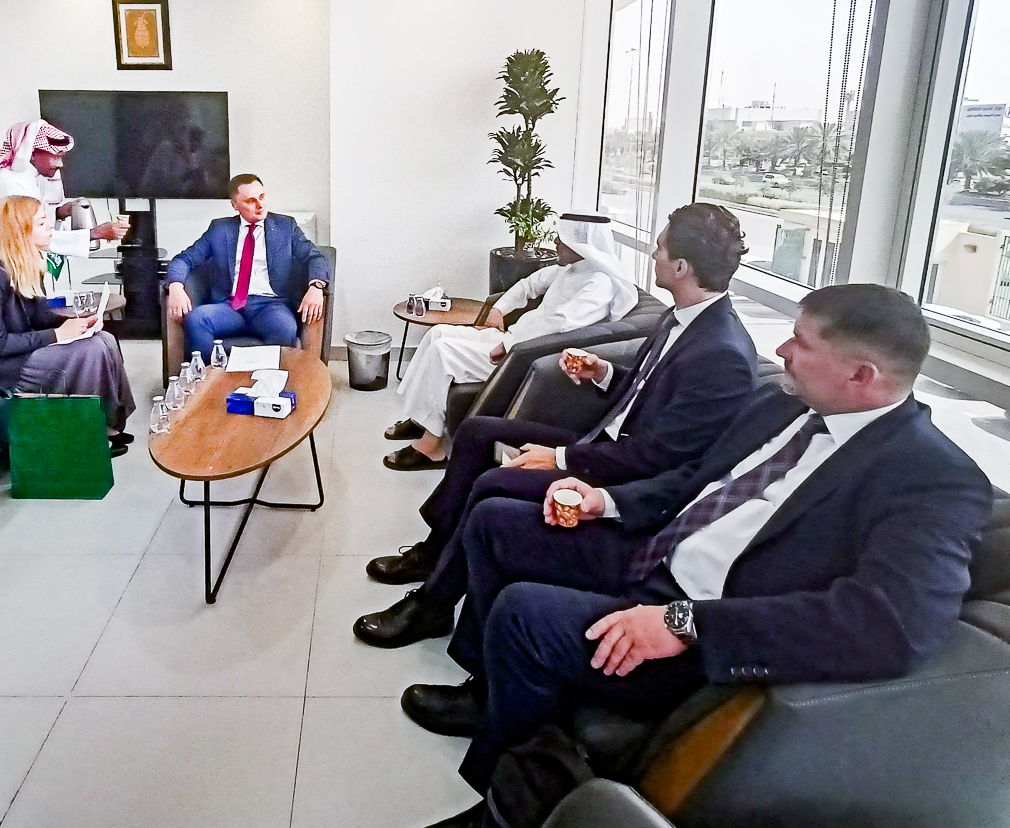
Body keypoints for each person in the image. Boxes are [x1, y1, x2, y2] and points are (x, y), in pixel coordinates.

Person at [401, 284, 991, 828]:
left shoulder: (930, 478)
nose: (781, 351)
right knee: (500, 524)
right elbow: (693, 480)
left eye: (802, 343)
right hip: (653, 550)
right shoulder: (783, 407)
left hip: (704, 618)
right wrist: (605, 501)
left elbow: (892, 623)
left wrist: (687, 624)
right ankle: (486, 698)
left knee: (525, 614)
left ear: (861, 374)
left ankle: (502, 813)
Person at [357, 204, 756, 651]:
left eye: (660, 248)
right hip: (604, 442)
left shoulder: (721, 354)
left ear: (680, 267)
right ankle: (434, 553)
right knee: (476, 432)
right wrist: (604, 372)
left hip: (624, 475)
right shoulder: (682, 316)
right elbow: (652, 392)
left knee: (492, 485)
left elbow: (659, 456)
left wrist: (561, 458)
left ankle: (432, 605)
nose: (653, 254)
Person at [383, 214, 638, 472]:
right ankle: (421, 420)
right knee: (437, 333)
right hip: (514, 340)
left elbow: (561, 324)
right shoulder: (570, 268)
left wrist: (509, 345)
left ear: (580, 243)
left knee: (443, 350)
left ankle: (432, 448)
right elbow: (529, 285)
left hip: (525, 355)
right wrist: (498, 310)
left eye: (561, 238)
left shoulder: (599, 283)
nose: (555, 241)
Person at [0, 195, 136, 454]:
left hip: (15, 351)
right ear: (19, 231)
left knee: (103, 339)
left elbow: (39, 316)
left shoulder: (26, 264)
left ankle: (107, 423)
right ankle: (87, 437)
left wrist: (75, 322)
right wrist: (57, 335)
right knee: (89, 351)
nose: (50, 226)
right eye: (41, 223)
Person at [165, 173, 331, 360]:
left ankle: (269, 378)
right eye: (251, 201)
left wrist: (316, 286)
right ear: (235, 205)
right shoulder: (220, 229)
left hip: (271, 306)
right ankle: (208, 376)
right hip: (229, 306)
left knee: (285, 328)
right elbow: (184, 259)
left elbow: (315, 257)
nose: (260, 205)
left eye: (262, 197)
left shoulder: (286, 227)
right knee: (196, 320)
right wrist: (176, 286)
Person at [0, 119, 129, 261]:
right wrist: (96, 233)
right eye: (55, 156)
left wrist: (59, 213)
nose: (60, 164)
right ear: (32, 154)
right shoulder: (12, 182)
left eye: (61, 157)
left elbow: (35, 224)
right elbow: (33, 234)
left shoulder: (32, 178)